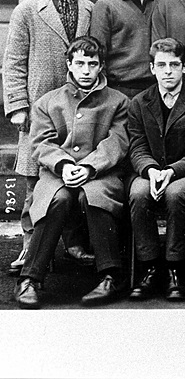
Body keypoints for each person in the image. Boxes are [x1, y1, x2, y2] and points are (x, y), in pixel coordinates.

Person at [14, 36, 129, 309]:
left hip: (101, 172)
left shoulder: (118, 101)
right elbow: (41, 143)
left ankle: (111, 276)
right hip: (58, 174)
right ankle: (30, 278)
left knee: (95, 196)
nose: (86, 70)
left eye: (92, 64)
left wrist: (89, 166)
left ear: (101, 66)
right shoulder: (48, 102)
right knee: (57, 199)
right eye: (80, 63)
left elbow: (117, 141)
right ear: (69, 64)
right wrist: (64, 165)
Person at [3, 0, 94, 274]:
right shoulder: (28, 10)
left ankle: (73, 242)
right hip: (39, 108)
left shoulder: (90, 10)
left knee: (73, 178)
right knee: (35, 182)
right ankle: (30, 247)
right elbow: (13, 62)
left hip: (76, 108)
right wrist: (18, 106)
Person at [127, 38, 185, 302]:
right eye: (161, 65)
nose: (168, 71)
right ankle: (149, 267)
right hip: (151, 171)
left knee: (176, 193)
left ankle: (176, 269)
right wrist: (151, 170)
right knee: (138, 193)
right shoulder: (139, 103)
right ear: (152, 68)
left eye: (174, 65)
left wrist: (172, 171)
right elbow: (137, 146)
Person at [90, 0, 163, 98]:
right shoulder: (106, 5)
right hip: (119, 90)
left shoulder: (161, 4)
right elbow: (98, 54)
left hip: (155, 89)